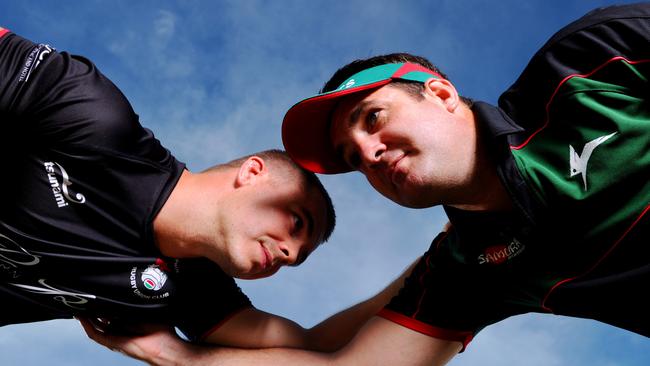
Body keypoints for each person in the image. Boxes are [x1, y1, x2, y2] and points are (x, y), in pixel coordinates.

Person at [83, 3, 650, 365]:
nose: (371, 154)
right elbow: (337, 360)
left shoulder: (587, 64)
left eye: (373, 118)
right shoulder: (466, 270)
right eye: (354, 159)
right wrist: (178, 357)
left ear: (442, 94)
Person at [0, 27, 348, 350]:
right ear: (253, 172)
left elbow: (314, 348)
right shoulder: (96, 119)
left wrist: (406, 290)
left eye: (297, 259)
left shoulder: (188, 287)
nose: (288, 255)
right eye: (297, 223)